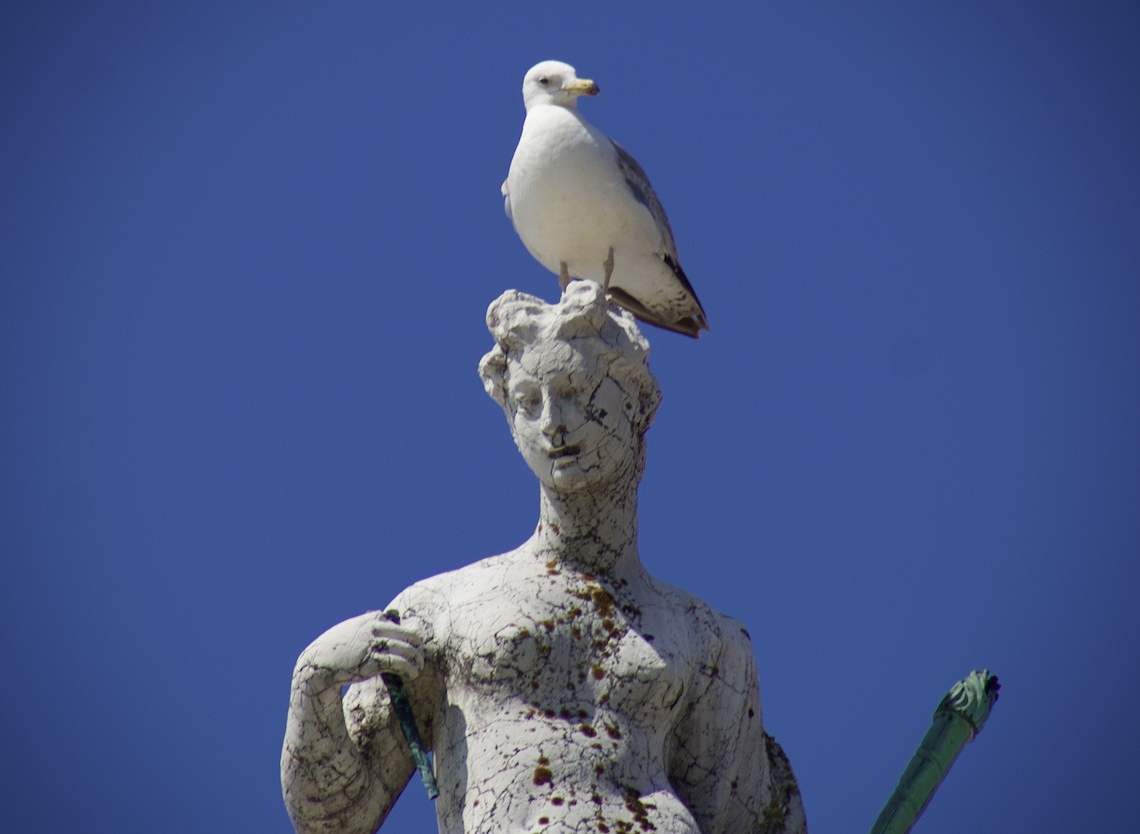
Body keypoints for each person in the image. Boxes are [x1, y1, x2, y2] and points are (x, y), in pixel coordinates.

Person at [281, 282, 806, 834]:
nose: (553, 421)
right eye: (528, 402)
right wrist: (314, 680)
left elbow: (743, 821)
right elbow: (336, 818)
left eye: (578, 391)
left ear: (635, 405)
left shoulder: (710, 642)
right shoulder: (443, 608)